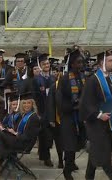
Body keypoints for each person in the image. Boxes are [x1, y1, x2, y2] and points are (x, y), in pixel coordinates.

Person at [79, 50, 112, 180]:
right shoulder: (93, 80)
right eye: (110, 60)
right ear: (102, 63)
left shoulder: (111, 79)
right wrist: (98, 115)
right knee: (105, 158)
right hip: (96, 125)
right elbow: (86, 103)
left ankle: (88, 177)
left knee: (95, 154)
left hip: (109, 123)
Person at [0, 92, 40, 179]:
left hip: (23, 144)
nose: (26, 105)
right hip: (17, 140)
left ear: (32, 104)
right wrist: (9, 131)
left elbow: (28, 137)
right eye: (24, 103)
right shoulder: (24, 115)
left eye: (29, 103)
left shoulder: (33, 118)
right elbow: (16, 131)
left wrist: (14, 133)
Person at [56, 49, 86, 179]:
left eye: (81, 62)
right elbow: (59, 99)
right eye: (78, 62)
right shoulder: (64, 79)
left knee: (76, 142)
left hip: (79, 116)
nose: (81, 65)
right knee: (69, 144)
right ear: (72, 64)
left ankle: (71, 164)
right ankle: (67, 171)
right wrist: (73, 106)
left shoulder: (82, 77)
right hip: (68, 115)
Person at [35, 53, 56, 167]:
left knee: (53, 136)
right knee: (45, 136)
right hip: (42, 111)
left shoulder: (54, 78)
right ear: (40, 65)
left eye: (48, 63)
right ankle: (46, 157)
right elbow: (35, 97)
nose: (47, 65)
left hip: (53, 111)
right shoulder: (37, 80)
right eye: (44, 64)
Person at [47, 72, 64, 168]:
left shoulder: (73, 86)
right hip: (57, 119)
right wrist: (51, 119)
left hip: (69, 119)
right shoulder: (54, 87)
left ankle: (70, 161)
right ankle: (61, 160)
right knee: (59, 141)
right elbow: (50, 103)